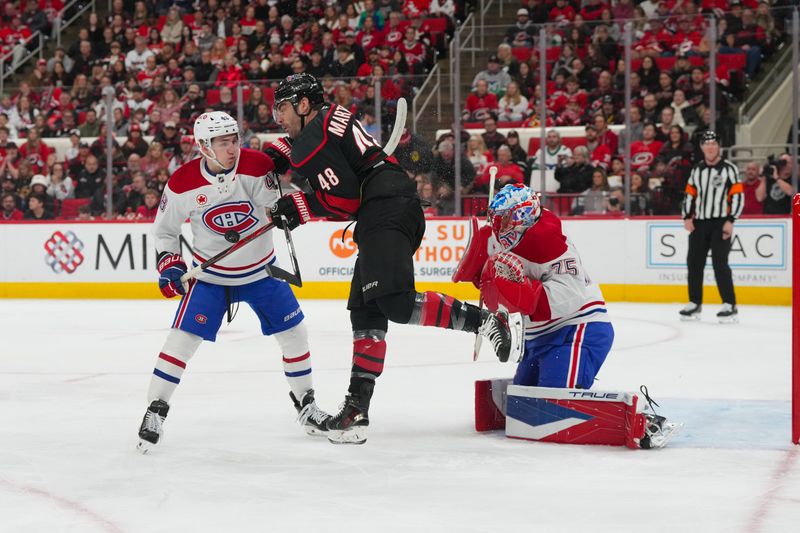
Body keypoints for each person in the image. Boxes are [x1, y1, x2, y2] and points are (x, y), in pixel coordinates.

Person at [270, 73, 519, 445]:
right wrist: (287, 153)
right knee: (365, 312)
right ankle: (356, 409)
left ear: (304, 105)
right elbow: (341, 159)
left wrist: (298, 206)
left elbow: (345, 201)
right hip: (391, 205)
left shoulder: (310, 138)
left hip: (384, 209)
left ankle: (484, 320)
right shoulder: (330, 116)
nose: (279, 117)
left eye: (283, 108)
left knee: (396, 303)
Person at [137, 111, 331, 453]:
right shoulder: (182, 182)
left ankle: (307, 404)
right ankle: (155, 410)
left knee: (295, 334)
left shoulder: (256, 166)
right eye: (222, 143)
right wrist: (170, 265)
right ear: (203, 146)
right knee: (180, 342)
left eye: (234, 140)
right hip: (211, 279)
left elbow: (272, 207)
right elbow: (165, 231)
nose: (232, 148)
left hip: (261, 272)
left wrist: (285, 209)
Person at [680, 131, 743, 323]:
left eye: (714, 143)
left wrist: (731, 220)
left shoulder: (729, 169)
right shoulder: (697, 170)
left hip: (721, 222)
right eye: (706, 144)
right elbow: (689, 194)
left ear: (719, 147)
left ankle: (729, 304)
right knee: (694, 262)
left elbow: (737, 195)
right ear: (702, 147)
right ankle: (694, 302)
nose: (710, 147)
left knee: (720, 263)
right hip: (700, 223)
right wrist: (687, 217)